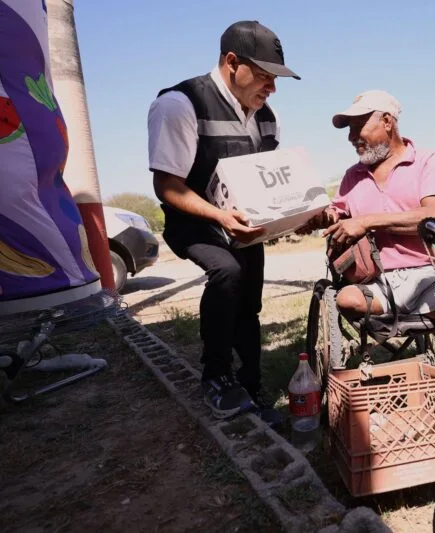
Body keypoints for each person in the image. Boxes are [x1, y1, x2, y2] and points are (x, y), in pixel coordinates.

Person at [147, 20, 300, 425]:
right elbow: (167, 184)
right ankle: (215, 376)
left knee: (248, 304)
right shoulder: (180, 104)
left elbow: (269, 178)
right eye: (265, 76)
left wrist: (298, 211)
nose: (272, 88)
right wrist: (219, 216)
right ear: (232, 62)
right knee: (226, 271)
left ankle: (251, 386)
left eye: (275, 78)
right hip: (195, 223)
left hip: (244, 224)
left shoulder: (268, 117)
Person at [306, 90, 435, 321]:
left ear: (387, 122)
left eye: (358, 127)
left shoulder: (427, 161)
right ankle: (407, 310)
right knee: (347, 300)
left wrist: (365, 222)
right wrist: (320, 217)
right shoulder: (352, 175)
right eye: (349, 130)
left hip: (431, 273)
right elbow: (336, 213)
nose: (351, 137)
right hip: (377, 280)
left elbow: (432, 217)